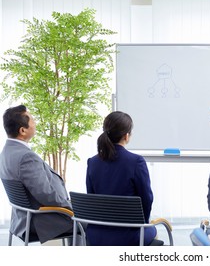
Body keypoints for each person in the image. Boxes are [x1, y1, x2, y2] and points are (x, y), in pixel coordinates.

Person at [0, 105, 73, 243]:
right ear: (22, 130)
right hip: (40, 220)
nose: (35, 123)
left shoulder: (6, 152)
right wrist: (69, 206)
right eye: (32, 120)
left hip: (22, 219)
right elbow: (45, 194)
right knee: (88, 222)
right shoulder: (26, 157)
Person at [86, 111, 159, 246]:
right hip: (128, 237)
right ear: (126, 136)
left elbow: (92, 198)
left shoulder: (92, 162)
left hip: (96, 236)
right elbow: (147, 199)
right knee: (153, 230)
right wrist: (143, 223)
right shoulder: (136, 162)